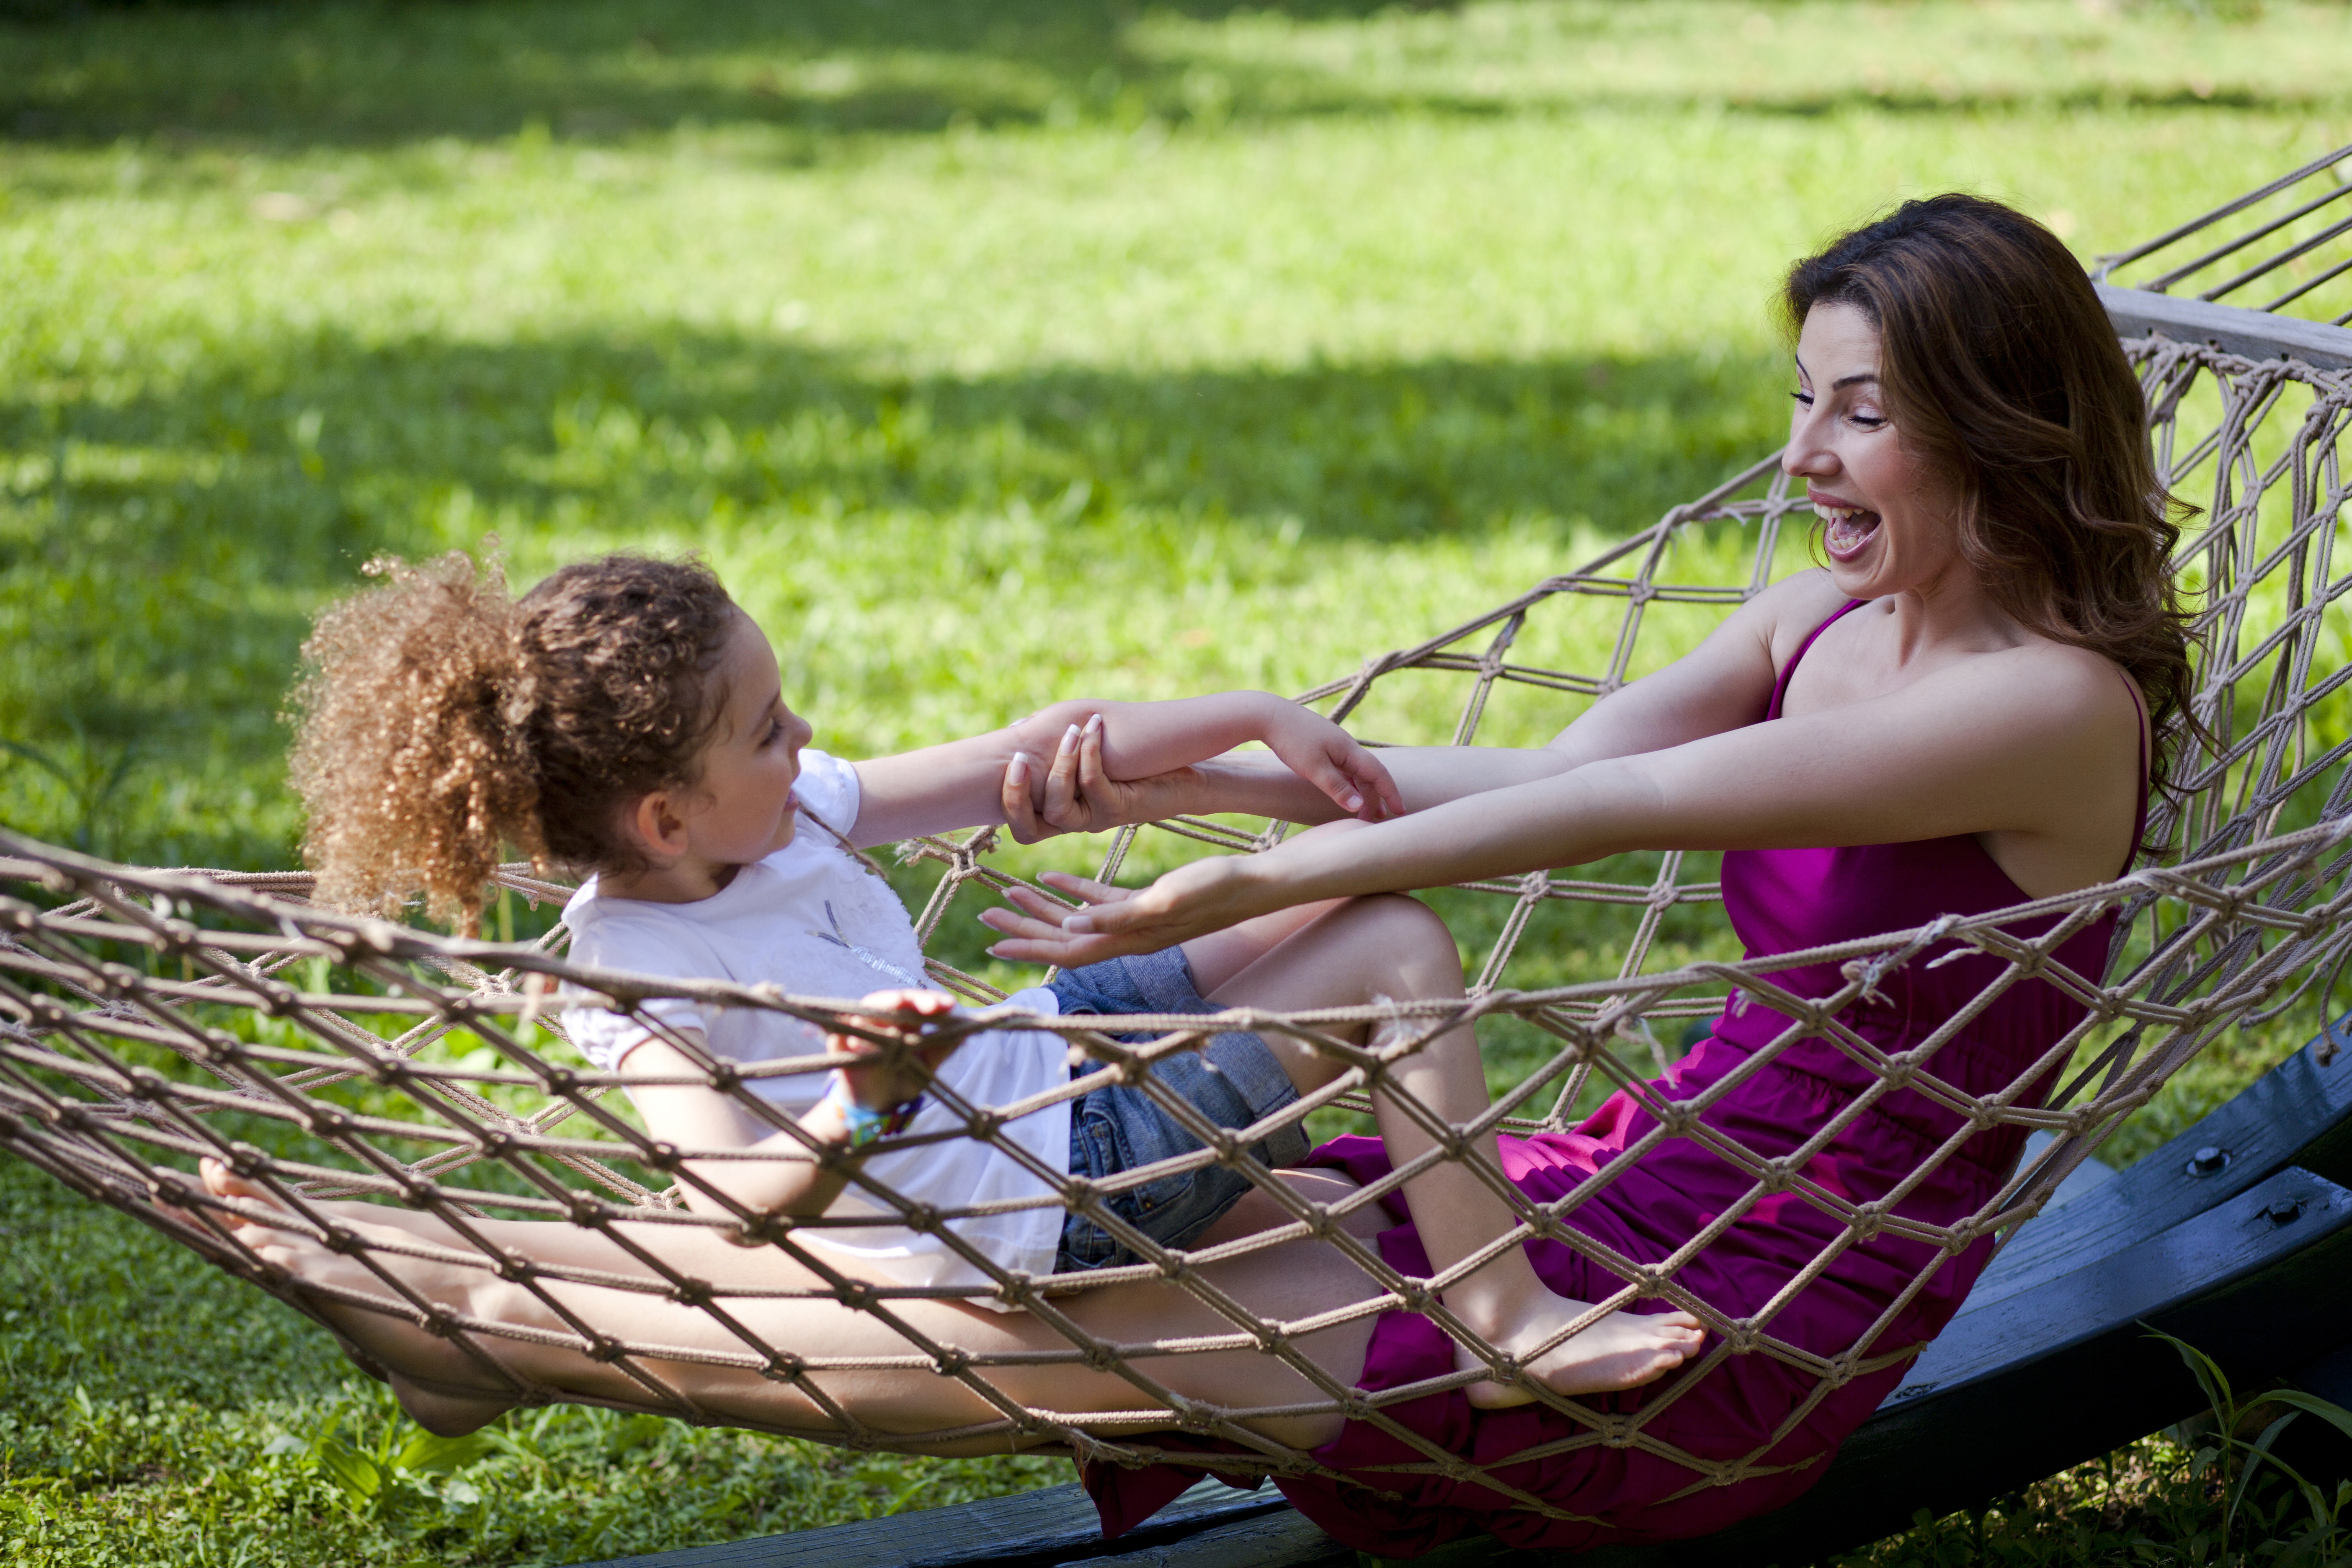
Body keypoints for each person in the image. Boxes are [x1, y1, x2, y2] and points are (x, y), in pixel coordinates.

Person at [198, 193, 2188, 1557]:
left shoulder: (2045, 707)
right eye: (1800, 401)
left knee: (1062, 1325)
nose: (1807, 458)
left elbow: (1596, 828)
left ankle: (475, 1331)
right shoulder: (1812, 621)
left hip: (1759, 1286)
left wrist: (1221, 906)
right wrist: (1218, 773)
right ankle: (461, 1313)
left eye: (1864, 412)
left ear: (1995, 429)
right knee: (1112, 1248)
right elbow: (1520, 767)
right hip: (1631, 1174)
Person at [217, 549, 1700, 1432]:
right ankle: (1505, 1322)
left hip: (1048, 1062)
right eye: (768, 727)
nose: (802, 738)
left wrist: (1256, 719)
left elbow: (1024, 752)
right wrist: (860, 1102)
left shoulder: (782, 815)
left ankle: (1425, 1231)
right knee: (1398, 951)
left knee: (1350, 885)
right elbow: (734, 1200)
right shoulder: (629, 969)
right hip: (1047, 1196)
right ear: (667, 820)